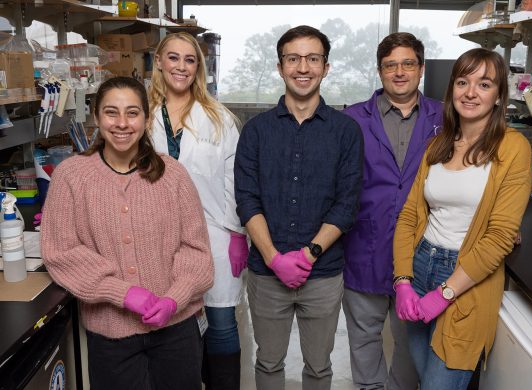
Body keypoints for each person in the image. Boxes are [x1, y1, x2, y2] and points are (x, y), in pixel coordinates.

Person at [40, 76, 214, 390]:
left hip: (176, 332)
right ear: (96, 118)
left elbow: (196, 250)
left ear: (146, 119)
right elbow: (60, 252)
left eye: (132, 113)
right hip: (110, 335)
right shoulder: (71, 176)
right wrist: (121, 292)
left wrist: (174, 299)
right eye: (111, 112)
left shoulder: (172, 174)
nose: (122, 123)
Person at [393, 48, 532, 390]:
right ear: (451, 89)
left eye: (484, 84)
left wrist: (445, 292)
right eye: (463, 82)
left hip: (465, 278)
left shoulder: (513, 149)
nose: (470, 92)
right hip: (422, 264)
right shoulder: (437, 146)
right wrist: (403, 281)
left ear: (499, 96)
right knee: (426, 379)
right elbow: (409, 215)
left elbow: (500, 235)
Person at [234, 25, 363, 390]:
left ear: (326, 66)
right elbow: (247, 199)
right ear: (280, 67)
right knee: (269, 362)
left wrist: (308, 255)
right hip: (265, 272)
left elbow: (346, 203)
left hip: (322, 275)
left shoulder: (346, 131)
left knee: (320, 368)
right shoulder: (255, 131)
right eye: (293, 59)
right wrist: (275, 258)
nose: (302, 67)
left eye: (312, 58)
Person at [342, 32, 443, 390]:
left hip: (422, 251)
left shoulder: (445, 118)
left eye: (407, 63)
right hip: (363, 246)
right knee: (365, 337)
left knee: (411, 342)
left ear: (421, 68)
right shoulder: (352, 119)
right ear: (380, 71)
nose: (399, 72)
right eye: (390, 65)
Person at [147, 32, 248, 389]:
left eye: (190, 60)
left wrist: (237, 233)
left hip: (213, 234)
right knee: (172, 324)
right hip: (154, 237)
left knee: (221, 323)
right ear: (158, 61)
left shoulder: (218, 117)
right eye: (173, 58)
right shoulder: (140, 116)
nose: (181, 66)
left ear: (198, 68)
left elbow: (234, 180)